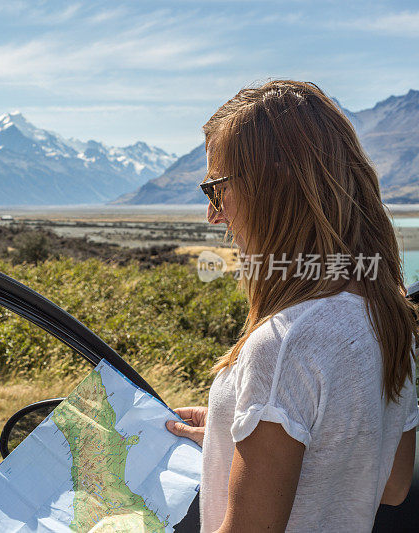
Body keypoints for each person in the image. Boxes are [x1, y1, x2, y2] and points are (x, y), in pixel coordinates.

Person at [165, 80, 418, 532]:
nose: (214, 215)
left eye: (215, 190)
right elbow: (392, 484)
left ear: (272, 185)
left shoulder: (286, 343)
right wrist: (233, 436)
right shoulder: (389, 317)